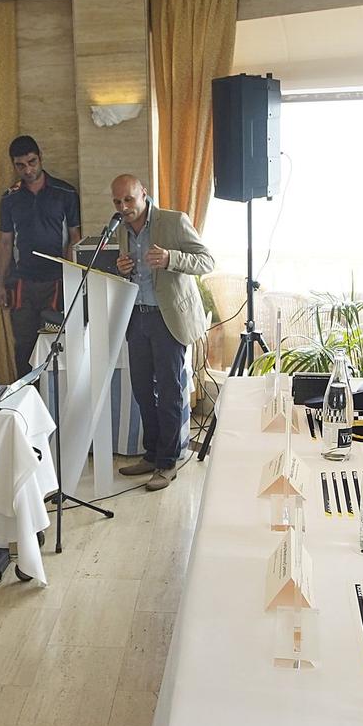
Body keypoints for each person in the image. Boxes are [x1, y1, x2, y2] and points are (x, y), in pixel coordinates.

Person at [110, 175, 213, 491]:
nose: (124, 207)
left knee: (169, 392)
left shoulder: (173, 221)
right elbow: (133, 273)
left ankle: (168, 463)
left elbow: (207, 261)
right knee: (142, 390)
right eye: (117, 202)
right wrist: (121, 268)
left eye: (129, 199)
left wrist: (171, 258)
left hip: (168, 319)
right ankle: (152, 454)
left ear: (143, 193)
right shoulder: (121, 229)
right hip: (137, 318)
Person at [0, 134, 80, 374]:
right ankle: (26, 400)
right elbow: (4, 242)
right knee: (24, 346)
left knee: (55, 343)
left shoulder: (65, 192)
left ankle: (53, 402)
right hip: (22, 281)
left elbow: (75, 239)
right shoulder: (9, 198)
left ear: (40, 158)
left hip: (56, 281)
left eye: (32, 162)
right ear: (14, 165)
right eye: (21, 165)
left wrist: (72, 281)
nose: (28, 169)